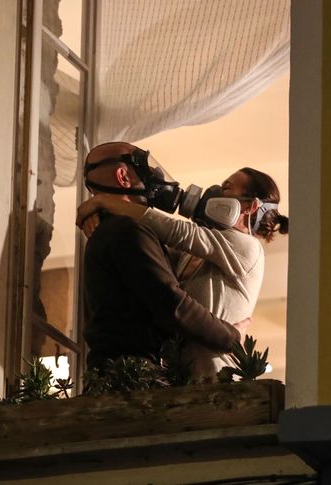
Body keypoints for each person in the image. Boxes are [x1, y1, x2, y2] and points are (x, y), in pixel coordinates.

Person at [78, 154, 289, 379]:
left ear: (251, 206)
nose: (215, 191)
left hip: (215, 379)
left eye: (226, 188)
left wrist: (102, 201)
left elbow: (175, 231)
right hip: (184, 378)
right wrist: (101, 214)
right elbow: (154, 254)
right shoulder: (203, 251)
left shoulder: (248, 247)